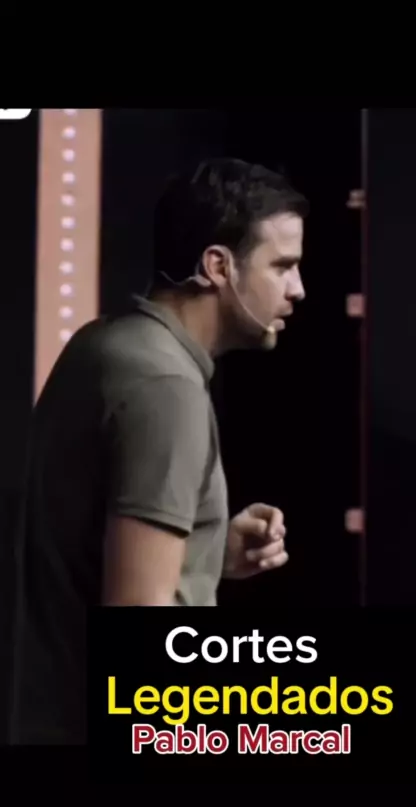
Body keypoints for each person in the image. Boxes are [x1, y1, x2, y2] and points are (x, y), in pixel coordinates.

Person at [8, 157, 308, 744]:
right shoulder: (165, 386)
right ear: (218, 266)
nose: (298, 289)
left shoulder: (106, 345)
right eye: (282, 266)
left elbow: (88, 554)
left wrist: (206, 549)